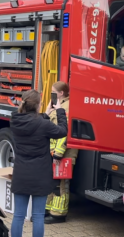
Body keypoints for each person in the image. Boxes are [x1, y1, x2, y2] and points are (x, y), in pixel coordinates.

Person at [10, 90, 68, 237]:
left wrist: (45, 114)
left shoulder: (15, 121)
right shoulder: (43, 124)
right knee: (37, 216)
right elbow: (62, 131)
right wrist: (60, 110)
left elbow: (33, 124)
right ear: (37, 105)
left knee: (18, 215)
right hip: (40, 174)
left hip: (21, 173)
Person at [44, 81, 77, 224]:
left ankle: (58, 214)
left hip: (63, 153)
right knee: (53, 183)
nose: (52, 94)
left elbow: (65, 132)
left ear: (61, 93)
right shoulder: (60, 106)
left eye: (53, 91)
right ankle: (49, 209)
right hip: (53, 152)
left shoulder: (67, 107)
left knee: (61, 185)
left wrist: (58, 153)